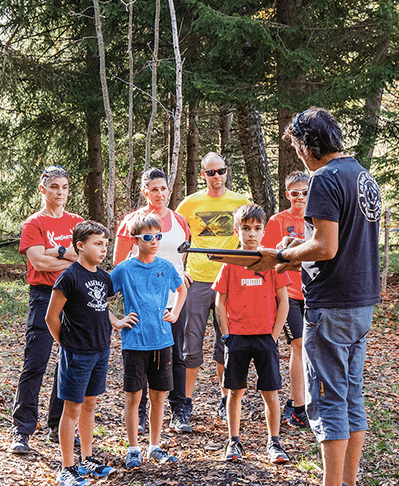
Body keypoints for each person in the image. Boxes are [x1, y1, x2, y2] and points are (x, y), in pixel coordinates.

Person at [251, 108, 381, 486]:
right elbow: (341, 242)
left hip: (333, 305)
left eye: (296, 146)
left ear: (309, 144)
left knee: (327, 397)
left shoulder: (324, 178)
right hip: (361, 301)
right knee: (350, 395)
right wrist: (296, 253)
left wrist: (283, 254)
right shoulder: (361, 175)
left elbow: (326, 246)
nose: (298, 156)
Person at [46, 221, 136, 486]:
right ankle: (67, 467)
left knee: (89, 405)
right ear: (80, 246)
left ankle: (87, 459)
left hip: (100, 350)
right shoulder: (69, 277)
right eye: (98, 244)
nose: (103, 249)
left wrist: (116, 322)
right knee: (71, 408)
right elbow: (51, 316)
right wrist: (65, 344)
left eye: (106, 244)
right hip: (76, 353)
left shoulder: (104, 277)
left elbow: (99, 307)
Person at [10, 165, 83, 455]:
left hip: (73, 297)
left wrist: (58, 251)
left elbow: (87, 257)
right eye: (54, 187)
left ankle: (58, 425)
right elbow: (38, 263)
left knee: (69, 363)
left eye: (64, 187)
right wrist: (69, 257)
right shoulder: (34, 223)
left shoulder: (76, 222)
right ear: (43, 189)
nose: (60, 192)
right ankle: (22, 429)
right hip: (43, 296)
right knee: (36, 362)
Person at [114, 167, 192, 434]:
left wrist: (183, 274)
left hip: (173, 298)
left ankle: (179, 410)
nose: (160, 194)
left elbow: (180, 256)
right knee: (143, 357)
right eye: (154, 189)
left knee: (176, 354)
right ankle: (140, 414)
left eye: (163, 188)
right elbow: (119, 264)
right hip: (143, 301)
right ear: (145, 191)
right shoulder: (132, 221)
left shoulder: (179, 220)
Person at [213, 204, 291, 464]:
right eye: (246, 228)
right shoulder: (230, 263)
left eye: (257, 228)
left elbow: (284, 301)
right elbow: (220, 302)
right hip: (237, 337)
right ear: (237, 231)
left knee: (270, 392)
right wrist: (227, 335)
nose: (252, 234)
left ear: (264, 231)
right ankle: (233, 441)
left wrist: (274, 336)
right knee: (235, 392)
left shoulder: (270, 262)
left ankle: (274, 442)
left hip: (265, 337)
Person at [177, 153, 248, 425]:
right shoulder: (189, 204)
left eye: (221, 170)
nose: (217, 176)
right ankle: (184, 404)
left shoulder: (240, 202)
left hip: (229, 282)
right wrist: (178, 270)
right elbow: (175, 239)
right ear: (203, 175)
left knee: (226, 343)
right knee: (191, 344)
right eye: (211, 172)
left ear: (226, 171)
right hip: (197, 281)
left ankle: (225, 400)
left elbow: (252, 237)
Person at [111, 214, 186, 468]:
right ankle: (133, 448)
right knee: (134, 397)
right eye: (148, 237)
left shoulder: (166, 266)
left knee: (158, 396)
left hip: (162, 341)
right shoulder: (124, 269)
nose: (154, 241)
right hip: (134, 342)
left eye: (158, 236)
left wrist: (174, 313)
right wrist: (116, 321)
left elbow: (181, 289)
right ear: (135, 240)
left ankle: (155, 446)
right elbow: (99, 294)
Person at [261, 171, 310, 429]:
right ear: (287, 194)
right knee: (298, 345)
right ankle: (296, 406)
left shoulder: (318, 219)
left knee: (314, 348)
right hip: (289, 294)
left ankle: (310, 402)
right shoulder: (277, 221)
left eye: (305, 192)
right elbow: (267, 256)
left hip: (314, 293)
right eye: (295, 193)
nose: (300, 197)